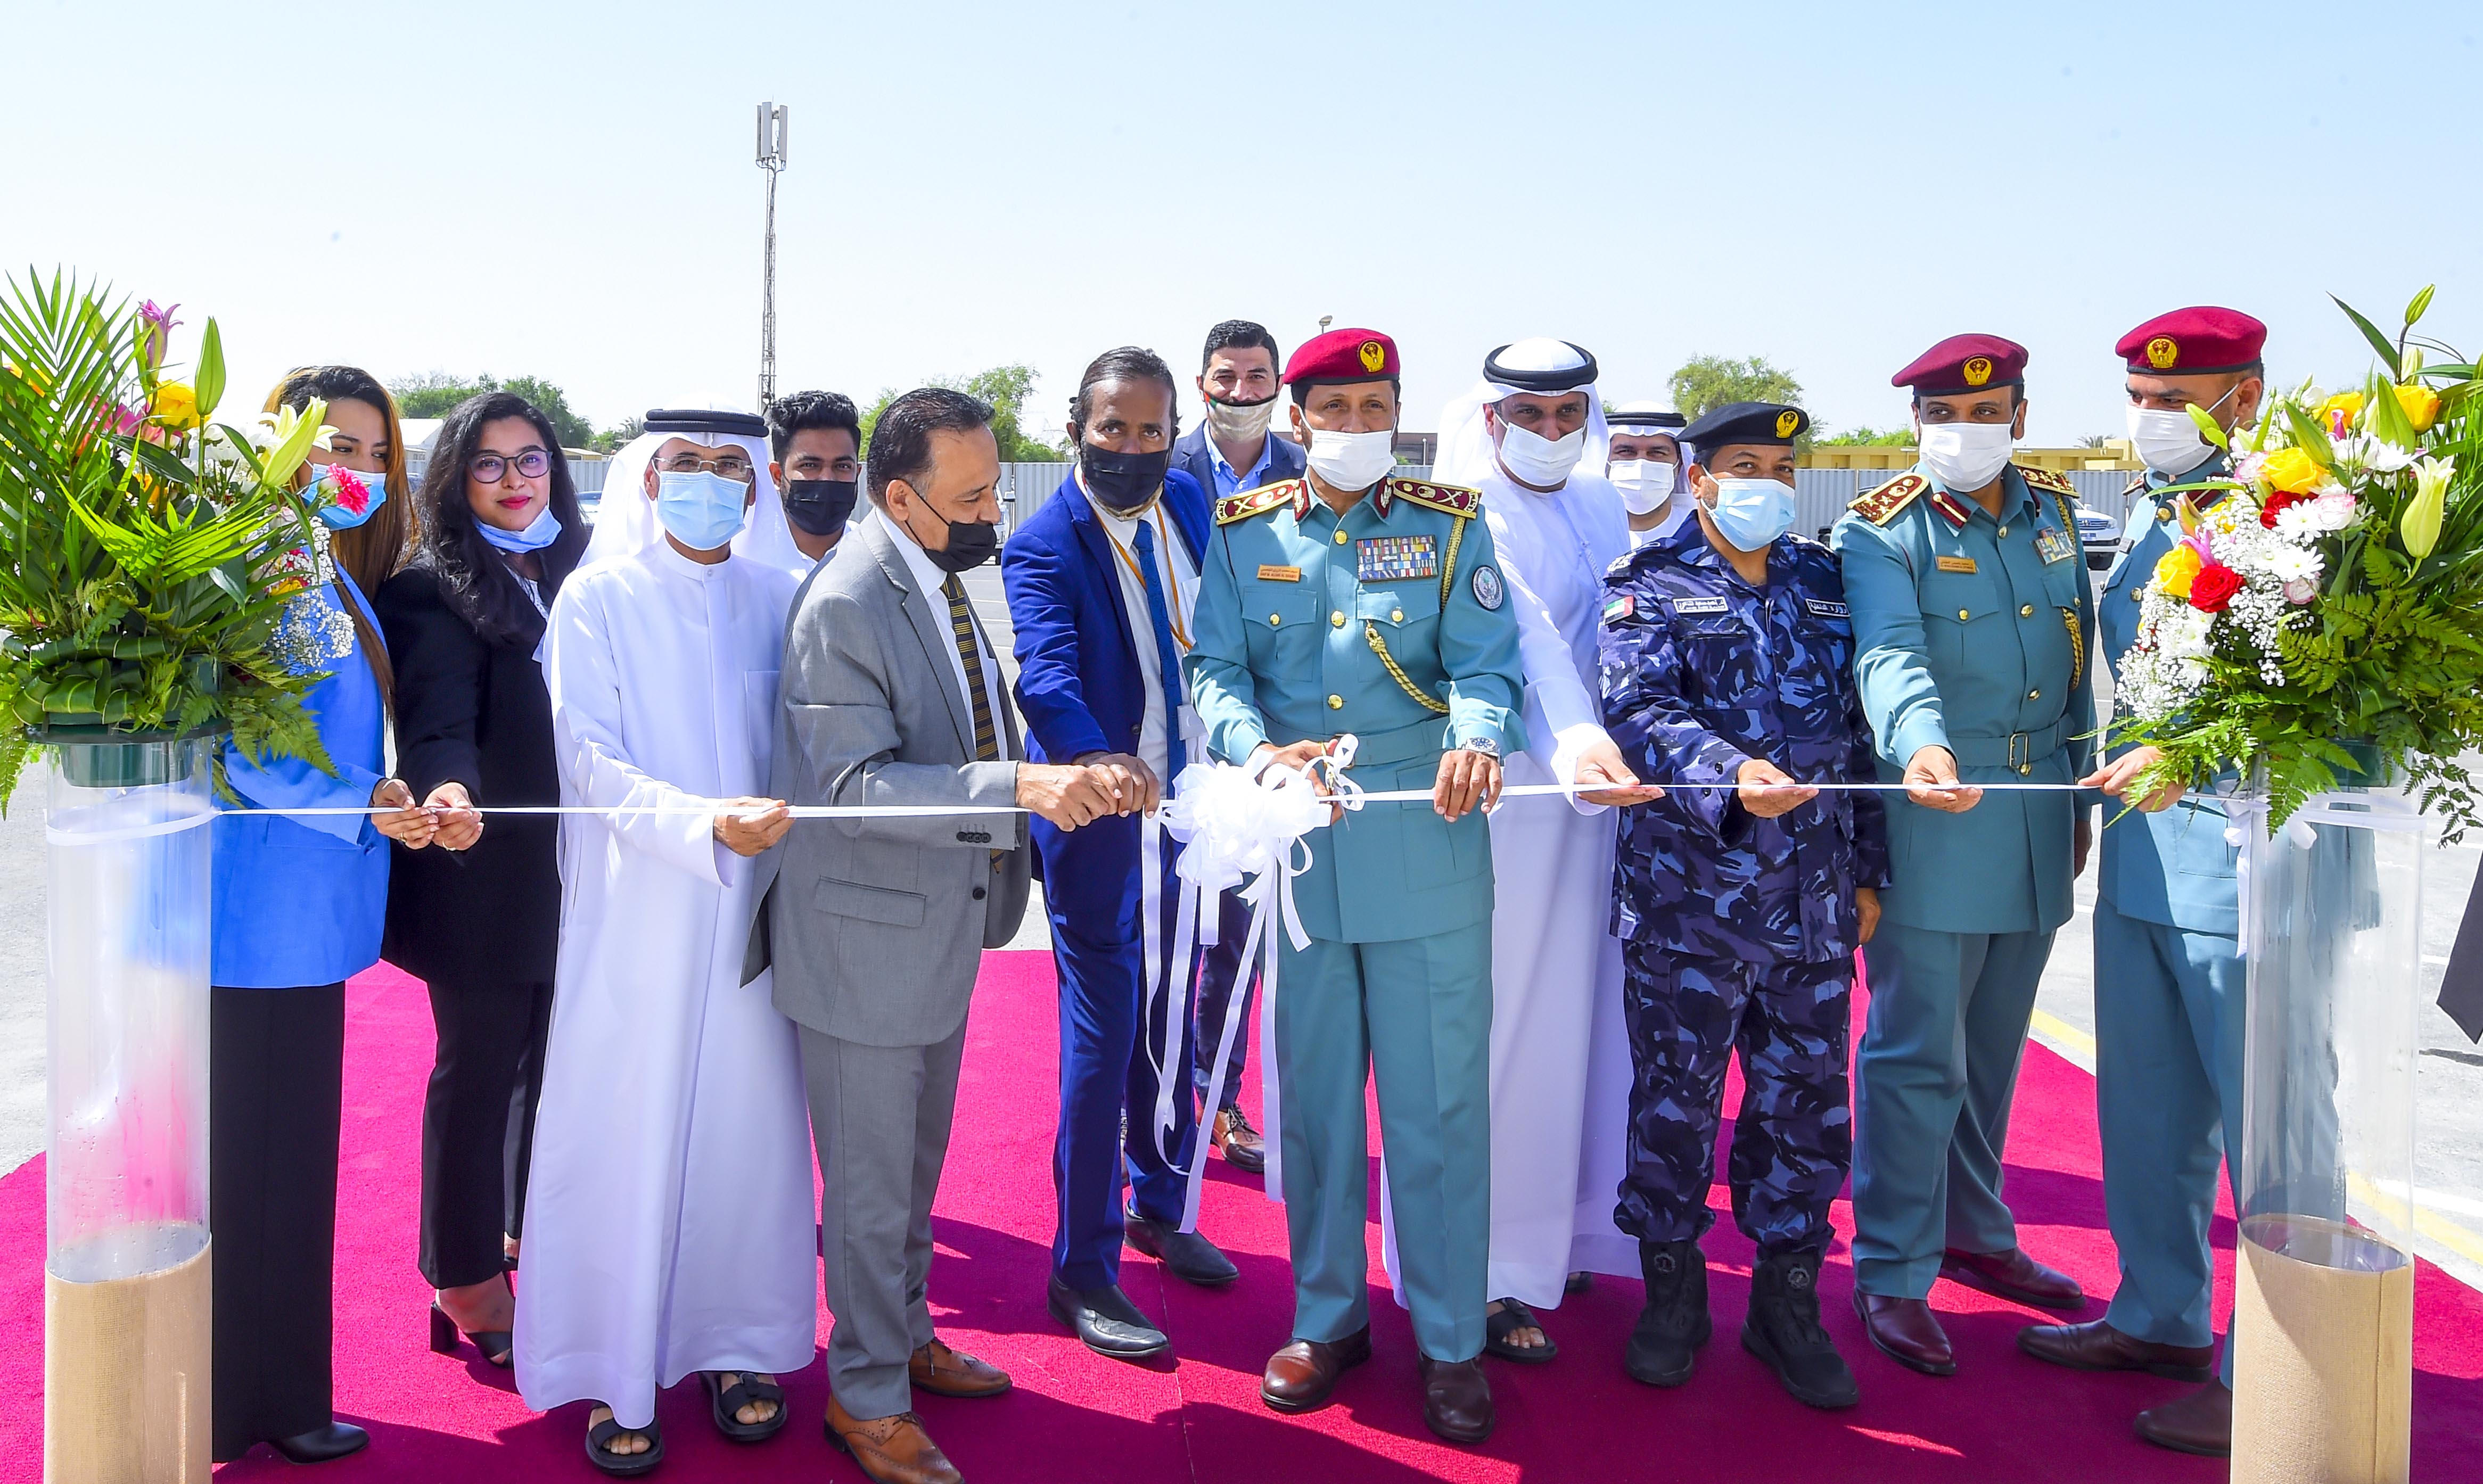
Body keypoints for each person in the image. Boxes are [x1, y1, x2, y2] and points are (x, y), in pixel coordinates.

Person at [766, 388, 1118, 1484]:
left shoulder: (932, 575)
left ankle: (908, 1333)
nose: (990, 514)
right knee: (869, 1193)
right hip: (860, 944)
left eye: (992, 490)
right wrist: (1018, 785)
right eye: (971, 498)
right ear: (901, 497)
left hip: (927, 933)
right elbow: (850, 787)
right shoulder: (845, 601)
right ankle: (866, 1396)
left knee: (911, 1174)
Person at [1187, 327, 1525, 1446]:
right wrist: (1253, 752)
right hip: (1305, 853)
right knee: (1317, 1106)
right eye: (1332, 409)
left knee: (1437, 1111)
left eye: (1373, 407)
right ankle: (1326, 1317)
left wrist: (1477, 736)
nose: (1353, 425)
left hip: (1426, 838)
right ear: (1297, 422)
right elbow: (1216, 667)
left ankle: (1450, 1337)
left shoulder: (1448, 523)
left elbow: (1485, 664)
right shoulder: (1243, 530)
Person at [517, 408, 813, 1472]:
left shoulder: (785, 596)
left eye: (731, 466)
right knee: (627, 1127)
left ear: (756, 485)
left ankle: (738, 1344)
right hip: (640, 904)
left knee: (746, 1130)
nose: (709, 481)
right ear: (647, 479)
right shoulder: (598, 597)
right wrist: (697, 825)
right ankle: (616, 1362)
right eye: (686, 463)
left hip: (756, 916)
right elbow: (587, 756)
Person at [2017, 308, 2270, 1458]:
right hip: (2144, 860)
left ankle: (2269, 1371)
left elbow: (2342, 714)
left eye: (2174, 397)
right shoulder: (2159, 514)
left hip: (2256, 874)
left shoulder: (2310, 517)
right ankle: (2160, 1313)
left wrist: (2199, 754)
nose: (2149, 416)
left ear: (2244, 396)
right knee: (2147, 1113)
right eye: (2137, 397)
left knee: (2272, 1141)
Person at [1598, 400, 1884, 1411]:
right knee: (1673, 1104)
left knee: (1804, 1110)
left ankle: (1785, 1305)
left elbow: (1857, 736)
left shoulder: (1821, 581)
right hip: (1690, 905)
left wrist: (1869, 872)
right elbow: (1637, 711)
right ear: (1702, 479)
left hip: (1813, 904)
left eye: (1781, 467)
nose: (1767, 483)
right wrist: (1728, 772)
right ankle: (1671, 1296)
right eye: (1745, 466)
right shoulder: (1646, 583)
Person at [1831, 335, 2098, 1378]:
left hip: (2036, 807)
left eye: (1983, 414)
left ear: (2019, 418)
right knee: (1915, 1054)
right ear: (1915, 424)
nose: (1961, 431)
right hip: (1934, 804)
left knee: (1990, 1048)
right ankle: (1891, 1267)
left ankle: (1972, 1227)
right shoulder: (1879, 528)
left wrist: (2077, 794)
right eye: (1940, 414)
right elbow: (1887, 654)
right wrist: (1918, 743)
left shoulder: (2054, 512)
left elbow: (2074, 662)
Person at [1394, 338, 1656, 1365]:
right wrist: (1579, 740)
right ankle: (1477, 1267)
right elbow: (1530, 641)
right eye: (1528, 416)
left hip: (1598, 806)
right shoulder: (1463, 512)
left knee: (1582, 1031)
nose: (1549, 433)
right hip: (1510, 799)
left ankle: (1556, 1237)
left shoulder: (1598, 503)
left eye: (1566, 415)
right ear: (1490, 419)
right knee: (1496, 1037)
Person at [210, 366, 435, 1464]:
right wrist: (366, 798)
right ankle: (265, 1401)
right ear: (277, 439)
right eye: (336, 445)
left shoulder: (318, 560)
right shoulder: (258, 561)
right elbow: (240, 745)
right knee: (260, 1175)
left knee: (281, 1173)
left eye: (377, 453)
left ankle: (261, 1394)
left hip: (295, 921)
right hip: (256, 925)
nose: (359, 469)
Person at [1002, 347, 1241, 1362]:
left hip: (1194, 810)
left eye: (1151, 429)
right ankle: (1082, 1265)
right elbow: (1045, 673)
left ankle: (1160, 1200)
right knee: (1103, 1038)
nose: (1132, 448)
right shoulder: (1042, 544)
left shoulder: (1185, 501)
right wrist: (1093, 754)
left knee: (1172, 1009)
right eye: (1113, 429)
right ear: (1077, 430)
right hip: (1104, 818)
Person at [377, 390, 588, 1373]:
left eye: (531, 458)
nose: (514, 480)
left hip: (575, 867)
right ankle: (460, 1273)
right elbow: (436, 722)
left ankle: (520, 1232)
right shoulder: (431, 586)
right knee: (480, 1069)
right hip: (478, 865)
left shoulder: (579, 567)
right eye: (489, 463)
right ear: (455, 478)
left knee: (552, 1067)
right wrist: (448, 788)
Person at [1170, 318, 1305, 1173]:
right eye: (1227, 377)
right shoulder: (1164, 467)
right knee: (1161, 931)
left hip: (1264, 740)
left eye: (1258, 377)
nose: (1242, 392)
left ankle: (1218, 1099)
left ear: (1278, 386)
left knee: (1237, 938)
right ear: (1203, 385)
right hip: (1167, 728)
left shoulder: (1308, 472)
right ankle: (1146, 1101)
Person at [766, 389, 865, 565]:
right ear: (777, 475)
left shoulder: (879, 560)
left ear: (857, 473)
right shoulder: (743, 560)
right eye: (810, 466)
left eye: (842, 466)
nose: (827, 478)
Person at [1607, 402, 1691, 547]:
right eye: (1626, 452)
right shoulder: (1580, 530)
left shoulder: (1703, 534)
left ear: (1680, 463)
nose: (1641, 464)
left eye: (1657, 453)